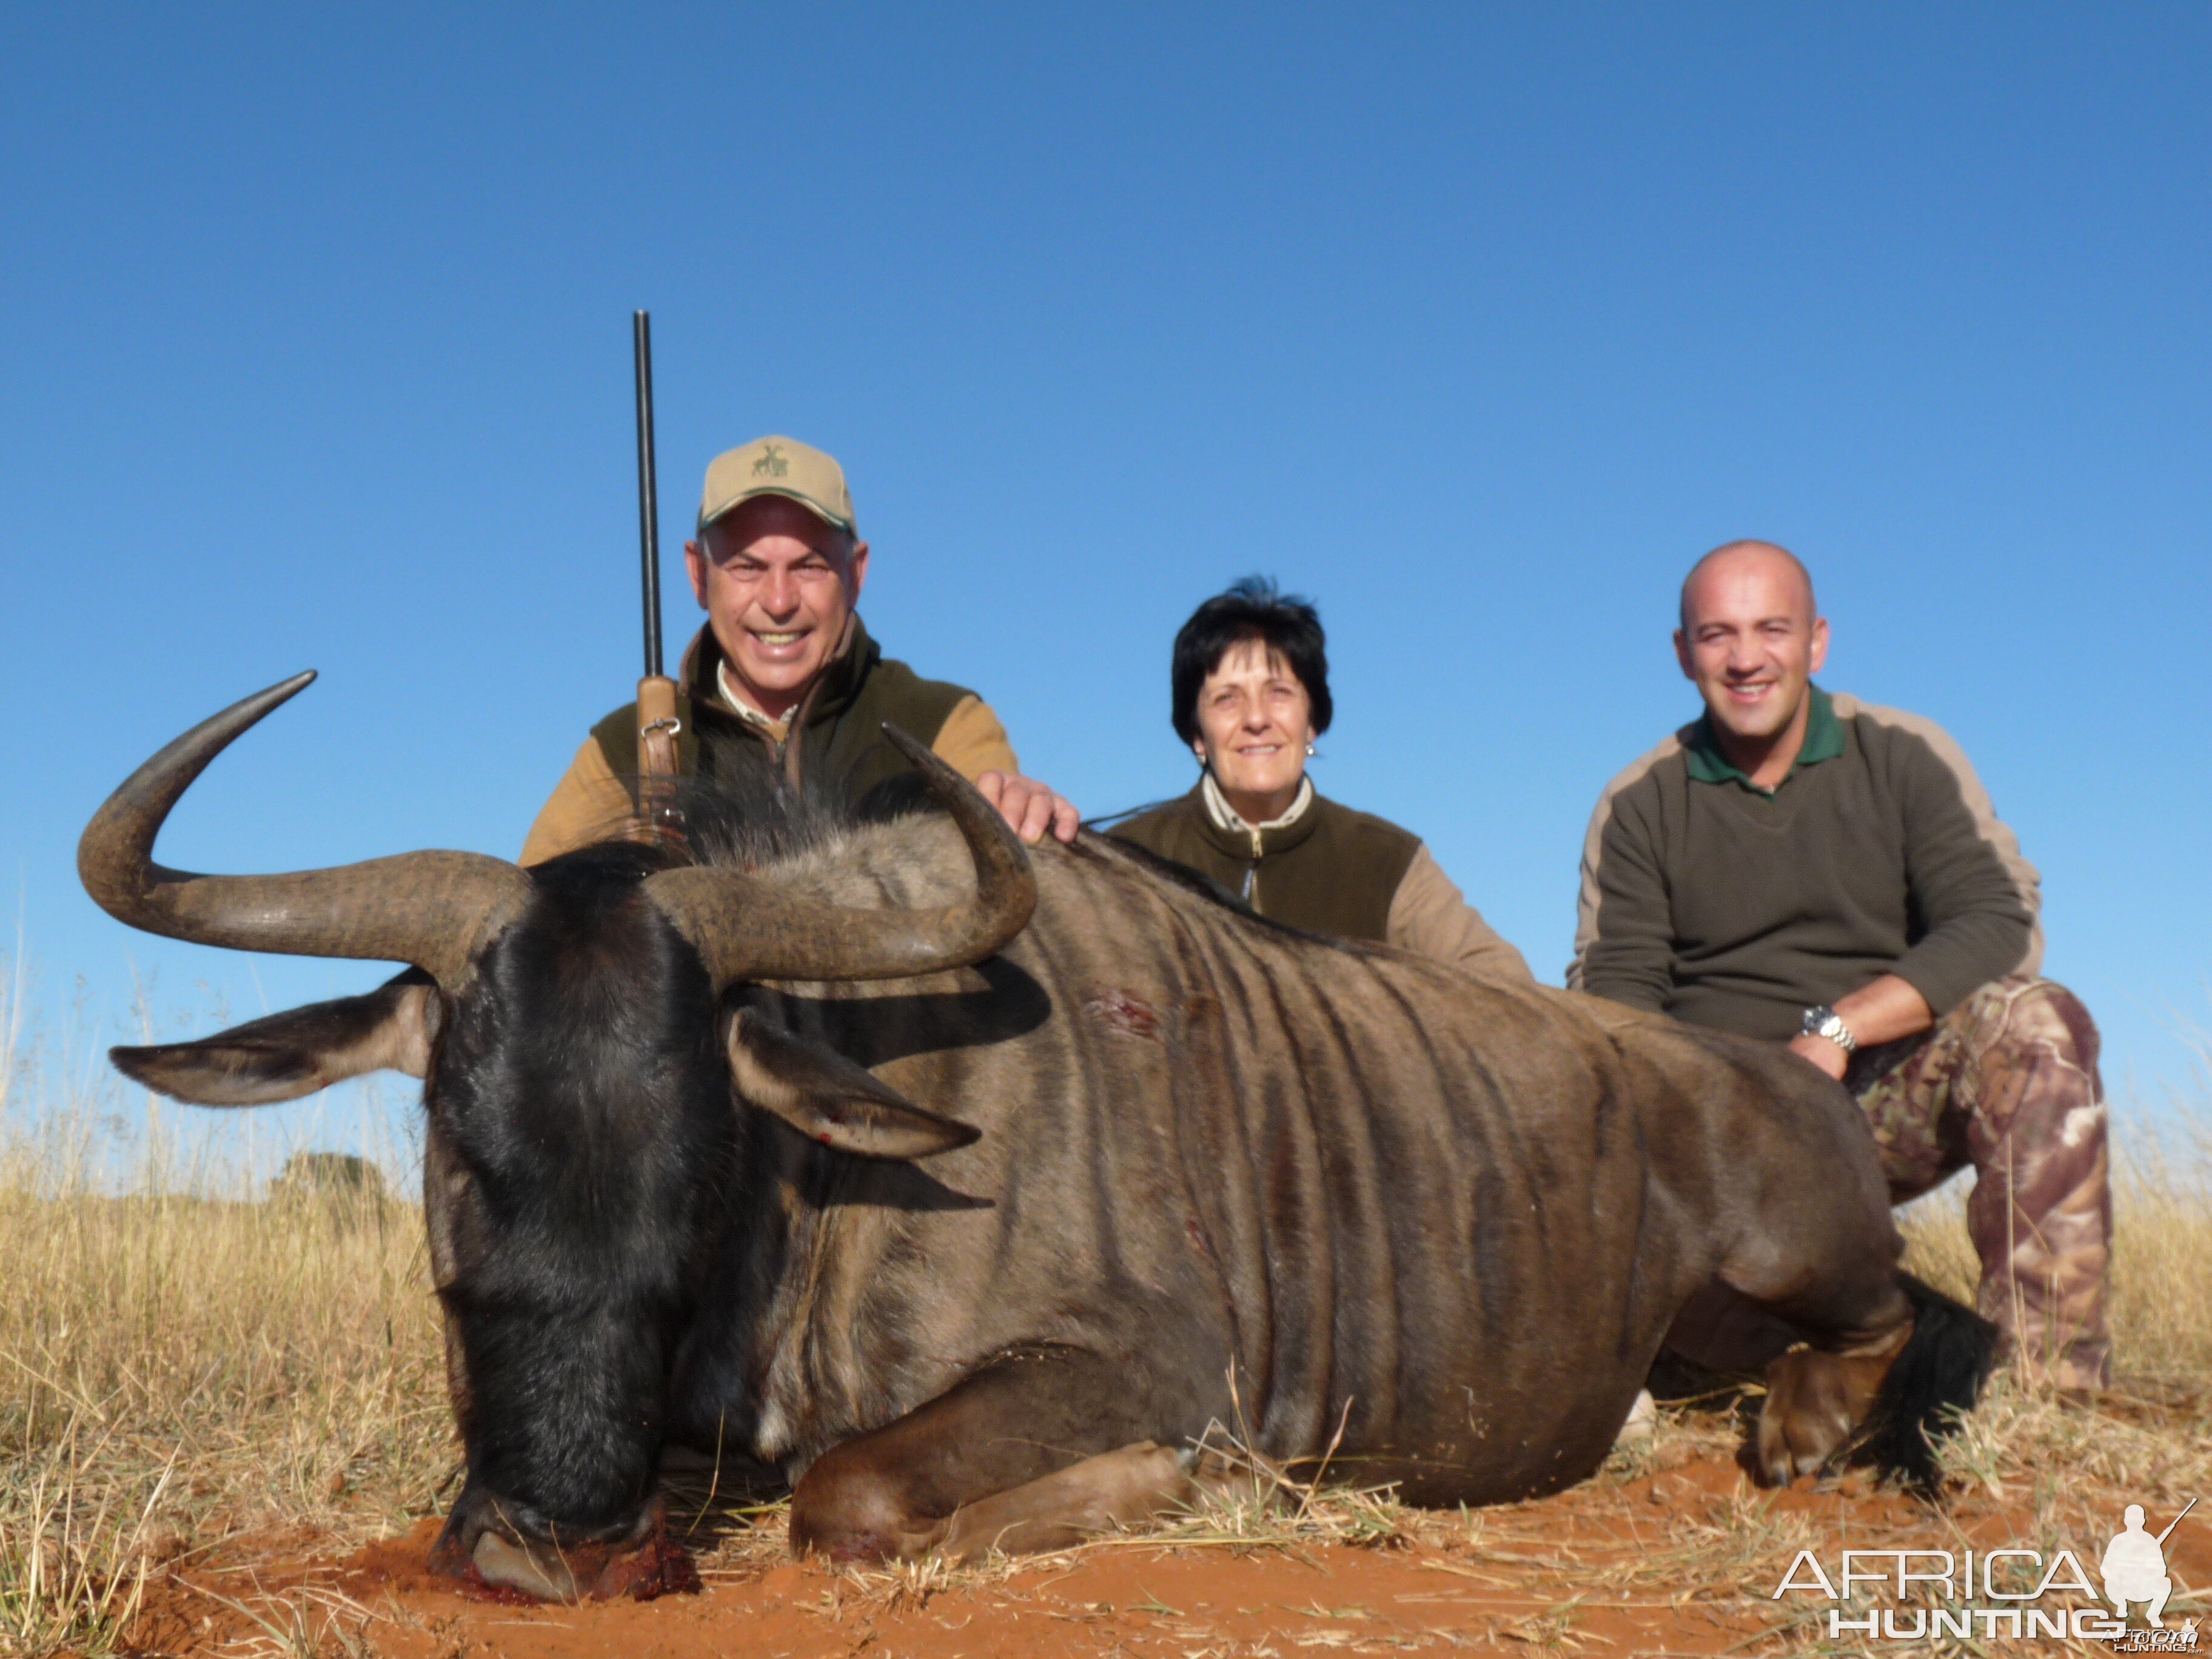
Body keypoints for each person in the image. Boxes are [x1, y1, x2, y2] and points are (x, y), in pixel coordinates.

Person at [1570, 540, 2110, 1391]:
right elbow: (1617, 1002)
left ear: (1816, 642)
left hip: (1874, 1093)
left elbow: (2000, 920)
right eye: (1716, 636)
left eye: (1770, 629)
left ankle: (2049, 1389)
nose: (1746, 659)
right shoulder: (1640, 801)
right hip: (1725, 1133)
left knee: (2038, 1020)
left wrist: (1838, 1030)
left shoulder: (1904, 753)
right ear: (1682, 654)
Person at [523, 435, 1076, 862]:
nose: (780, 601)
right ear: (697, 575)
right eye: (747, 567)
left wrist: (1020, 812)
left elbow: (1009, 886)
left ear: (855, 574)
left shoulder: (943, 725)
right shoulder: (622, 754)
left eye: (810, 566)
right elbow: (522, 924)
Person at [1108, 578, 1530, 981]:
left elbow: (1507, 990)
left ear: (1312, 724)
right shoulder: (1127, 859)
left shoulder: (1388, 861)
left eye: (1279, 693)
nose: (1256, 719)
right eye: (1227, 698)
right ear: (1198, 735)